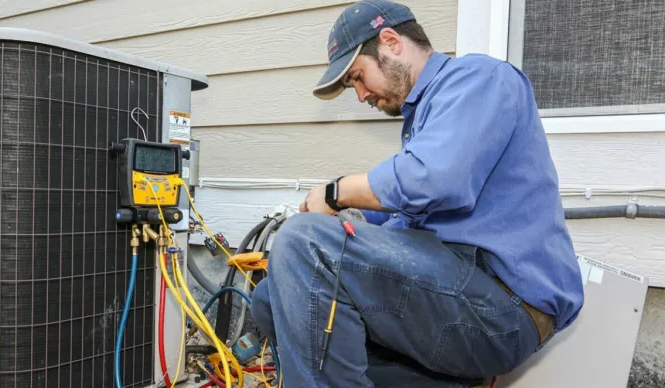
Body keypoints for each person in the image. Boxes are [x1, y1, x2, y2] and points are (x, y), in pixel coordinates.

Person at [248, 1, 585, 386]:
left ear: (390, 41)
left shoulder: (480, 79)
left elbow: (435, 179)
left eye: (357, 77)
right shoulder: (429, 118)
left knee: (302, 242)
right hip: (458, 292)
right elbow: (412, 214)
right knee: (274, 300)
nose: (360, 96)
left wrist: (337, 192)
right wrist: (352, 219)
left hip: (502, 307)